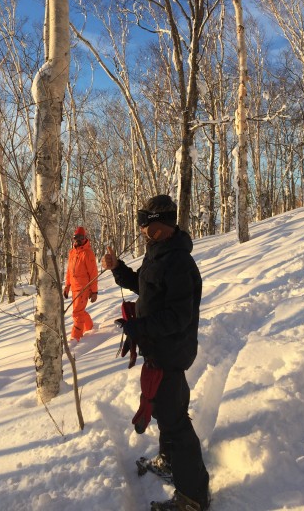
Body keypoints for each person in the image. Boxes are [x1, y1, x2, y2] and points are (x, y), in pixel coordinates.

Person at [102, 195, 209, 511]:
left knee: (175, 422)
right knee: (165, 408)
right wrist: (119, 269)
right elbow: (146, 287)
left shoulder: (178, 263)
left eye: (144, 222)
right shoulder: (159, 253)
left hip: (171, 351)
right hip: (160, 350)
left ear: (161, 224)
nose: (141, 228)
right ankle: (168, 460)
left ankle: (193, 498)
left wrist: (139, 327)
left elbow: (178, 317)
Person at [63, 226, 99, 342]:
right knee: (80, 311)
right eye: (76, 237)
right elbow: (69, 271)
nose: (78, 240)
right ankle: (90, 328)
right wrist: (67, 286)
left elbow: (93, 274)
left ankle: (75, 338)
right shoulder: (72, 252)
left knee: (77, 313)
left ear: (85, 238)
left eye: (81, 238)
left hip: (84, 288)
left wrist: (94, 291)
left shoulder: (88, 253)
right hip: (74, 288)